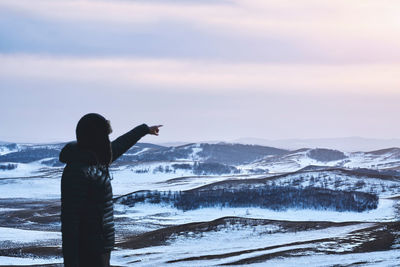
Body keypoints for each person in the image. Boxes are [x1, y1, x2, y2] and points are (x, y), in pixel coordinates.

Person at [59, 113, 161, 267]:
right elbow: (70, 223)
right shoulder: (77, 170)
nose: (107, 141)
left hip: (101, 245)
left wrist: (144, 130)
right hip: (88, 250)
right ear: (95, 138)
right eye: (104, 136)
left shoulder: (95, 159)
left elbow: (119, 145)